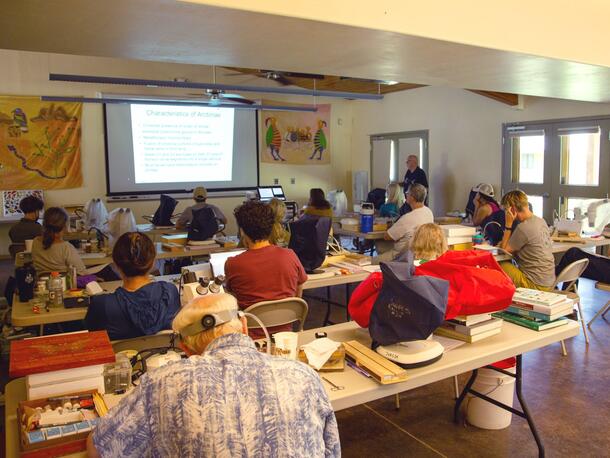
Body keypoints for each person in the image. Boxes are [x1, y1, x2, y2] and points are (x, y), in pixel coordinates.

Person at [86, 293, 340, 457]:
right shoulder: (304, 376)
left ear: (185, 348)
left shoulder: (162, 383)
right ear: (243, 326)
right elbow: (331, 451)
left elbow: (100, 448)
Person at [225, 201, 307, 334]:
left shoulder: (233, 264)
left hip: (249, 339)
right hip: (285, 336)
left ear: (242, 231)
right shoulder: (290, 256)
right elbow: (299, 294)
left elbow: (233, 303)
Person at [85, 232, 180, 340]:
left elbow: (93, 340)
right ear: (153, 262)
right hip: (166, 356)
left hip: (121, 356)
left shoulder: (102, 305)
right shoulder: (170, 292)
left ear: (115, 264)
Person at [499, 190, 555, 290]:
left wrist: (508, 224)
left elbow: (504, 250)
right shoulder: (541, 221)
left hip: (535, 285)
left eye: (506, 210)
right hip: (549, 282)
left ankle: (499, 301)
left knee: (498, 264)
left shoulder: (523, 228)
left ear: (512, 209)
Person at [376, 184, 434, 262]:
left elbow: (388, 236)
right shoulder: (429, 212)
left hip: (400, 255)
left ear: (412, 197)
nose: (406, 195)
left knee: (369, 261)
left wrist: (391, 227)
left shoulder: (408, 218)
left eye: (407, 193)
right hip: (419, 252)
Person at [31, 207, 87, 275]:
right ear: (64, 226)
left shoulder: (35, 242)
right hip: (63, 283)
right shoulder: (66, 247)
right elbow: (81, 272)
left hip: (41, 283)